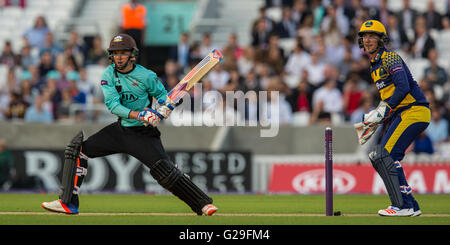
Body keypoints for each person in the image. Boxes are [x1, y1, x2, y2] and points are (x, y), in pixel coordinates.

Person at [41, 34, 218, 216]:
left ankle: (203, 204)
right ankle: (68, 203)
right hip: (121, 129)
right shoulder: (109, 73)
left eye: (123, 53)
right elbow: (113, 105)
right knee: (77, 150)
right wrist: (140, 114)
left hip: (144, 134)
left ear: (132, 55)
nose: (118, 57)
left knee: (165, 173)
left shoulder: (146, 76)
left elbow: (166, 98)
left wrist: (166, 108)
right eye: (115, 53)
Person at [356, 20, 430, 217]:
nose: (368, 40)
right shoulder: (374, 66)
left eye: (372, 36)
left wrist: (384, 109)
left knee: (386, 155)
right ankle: (411, 205)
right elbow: (389, 99)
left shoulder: (389, 58)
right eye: (365, 36)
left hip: (414, 110)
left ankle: (401, 205)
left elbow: (403, 87)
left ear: (381, 40)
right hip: (402, 113)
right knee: (378, 156)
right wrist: (377, 121)